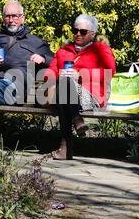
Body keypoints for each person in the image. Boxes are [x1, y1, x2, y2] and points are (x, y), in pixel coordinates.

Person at [0, 0, 54, 136]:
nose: (11, 20)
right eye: (7, 16)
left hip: (15, 88)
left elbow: (55, 61)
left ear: (22, 18)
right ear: (3, 18)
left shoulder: (35, 42)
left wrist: (43, 59)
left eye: (15, 16)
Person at [45, 14, 116, 160]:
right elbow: (49, 73)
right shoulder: (63, 51)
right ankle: (77, 120)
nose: (78, 34)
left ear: (92, 34)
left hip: (90, 95)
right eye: (75, 30)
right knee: (64, 85)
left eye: (83, 32)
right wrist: (60, 74)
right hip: (64, 94)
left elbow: (109, 73)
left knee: (64, 90)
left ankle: (65, 148)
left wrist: (81, 76)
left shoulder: (101, 50)